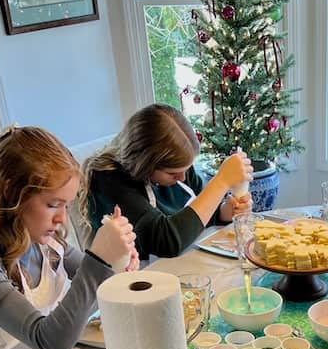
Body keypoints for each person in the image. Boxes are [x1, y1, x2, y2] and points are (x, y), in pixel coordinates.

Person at [0, 125, 137, 349]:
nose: (61, 219)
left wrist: (117, 265)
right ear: (9, 192)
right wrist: (99, 262)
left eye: (66, 205)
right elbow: (51, 341)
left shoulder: (49, 244)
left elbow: (93, 286)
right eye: (52, 204)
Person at [81, 103, 254, 260]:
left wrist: (224, 211)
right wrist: (221, 181)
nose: (183, 178)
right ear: (145, 165)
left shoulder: (178, 168)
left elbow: (198, 216)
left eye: (186, 169)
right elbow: (167, 240)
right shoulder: (109, 180)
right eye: (173, 173)